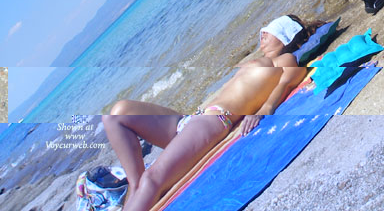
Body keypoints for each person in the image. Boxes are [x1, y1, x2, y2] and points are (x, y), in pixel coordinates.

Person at [102, 14, 321, 211]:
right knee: (116, 115)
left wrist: (265, 109)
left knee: (151, 180)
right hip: (192, 120)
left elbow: (288, 80)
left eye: (269, 32)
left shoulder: (286, 60)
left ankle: (141, 191)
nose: (262, 35)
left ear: (285, 37)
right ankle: (135, 186)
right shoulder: (262, 61)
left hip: (214, 121)